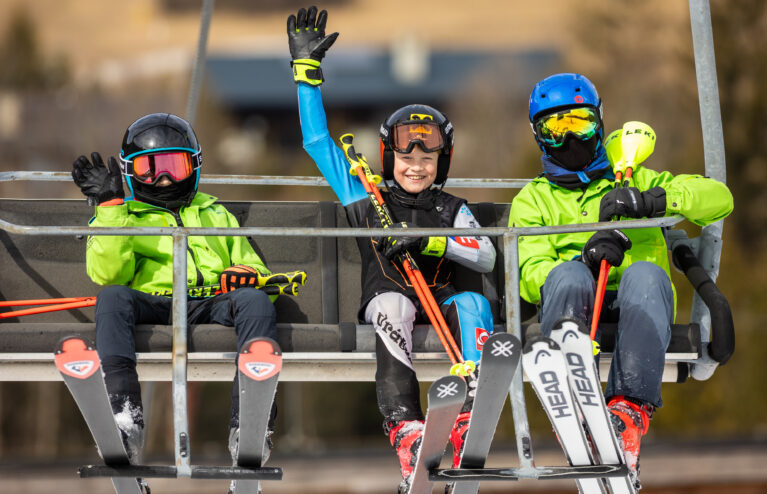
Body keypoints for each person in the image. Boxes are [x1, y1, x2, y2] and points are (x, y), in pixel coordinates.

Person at [287, 6, 497, 487]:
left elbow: (484, 254)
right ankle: (406, 427)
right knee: (389, 303)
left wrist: (431, 242)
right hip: (392, 303)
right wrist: (307, 76)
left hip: (440, 304)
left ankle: (470, 408)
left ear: (441, 164)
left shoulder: (451, 208)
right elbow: (317, 141)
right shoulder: (367, 197)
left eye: (428, 158)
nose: (417, 166)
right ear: (389, 157)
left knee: (471, 300)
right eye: (406, 157)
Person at [510, 73, 734, 487]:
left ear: (600, 120)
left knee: (646, 274)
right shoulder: (533, 200)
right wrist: (586, 259)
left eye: (579, 122)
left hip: (639, 305)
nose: (569, 138)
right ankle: (576, 402)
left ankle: (626, 414)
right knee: (569, 275)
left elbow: (720, 200)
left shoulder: (633, 178)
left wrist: (655, 202)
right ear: (538, 136)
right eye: (555, 129)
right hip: (576, 304)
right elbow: (528, 275)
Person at [71, 113, 279, 471]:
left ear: (194, 166)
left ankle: (249, 422)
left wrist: (248, 276)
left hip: (211, 300)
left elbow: (256, 271)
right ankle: (125, 418)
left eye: (175, 166)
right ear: (130, 172)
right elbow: (108, 274)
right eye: (149, 168)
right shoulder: (125, 216)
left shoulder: (214, 214)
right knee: (112, 298)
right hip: (153, 301)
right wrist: (108, 210)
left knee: (256, 300)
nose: (163, 178)